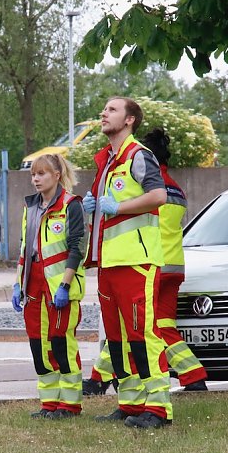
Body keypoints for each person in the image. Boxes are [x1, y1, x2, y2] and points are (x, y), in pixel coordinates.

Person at [83, 128, 208, 395]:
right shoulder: (176, 188)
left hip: (145, 261)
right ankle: (192, 374)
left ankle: (101, 379)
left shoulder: (142, 183)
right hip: (174, 265)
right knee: (159, 325)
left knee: (134, 326)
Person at [82, 97, 173, 429]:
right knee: (118, 339)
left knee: (143, 334)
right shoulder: (108, 160)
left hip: (136, 260)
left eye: (112, 110)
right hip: (110, 262)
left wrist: (116, 207)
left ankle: (159, 408)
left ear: (130, 119)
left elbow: (159, 196)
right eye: (104, 109)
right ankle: (131, 404)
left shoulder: (138, 155)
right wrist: (93, 207)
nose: (104, 113)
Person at [12, 153, 88, 419]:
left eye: (41, 173)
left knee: (60, 342)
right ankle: (49, 402)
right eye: (33, 174)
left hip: (59, 283)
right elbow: (25, 248)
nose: (36, 179)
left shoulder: (71, 205)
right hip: (33, 283)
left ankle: (70, 404)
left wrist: (65, 285)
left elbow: (77, 248)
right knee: (38, 344)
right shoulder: (30, 207)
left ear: (57, 176)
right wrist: (18, 284)